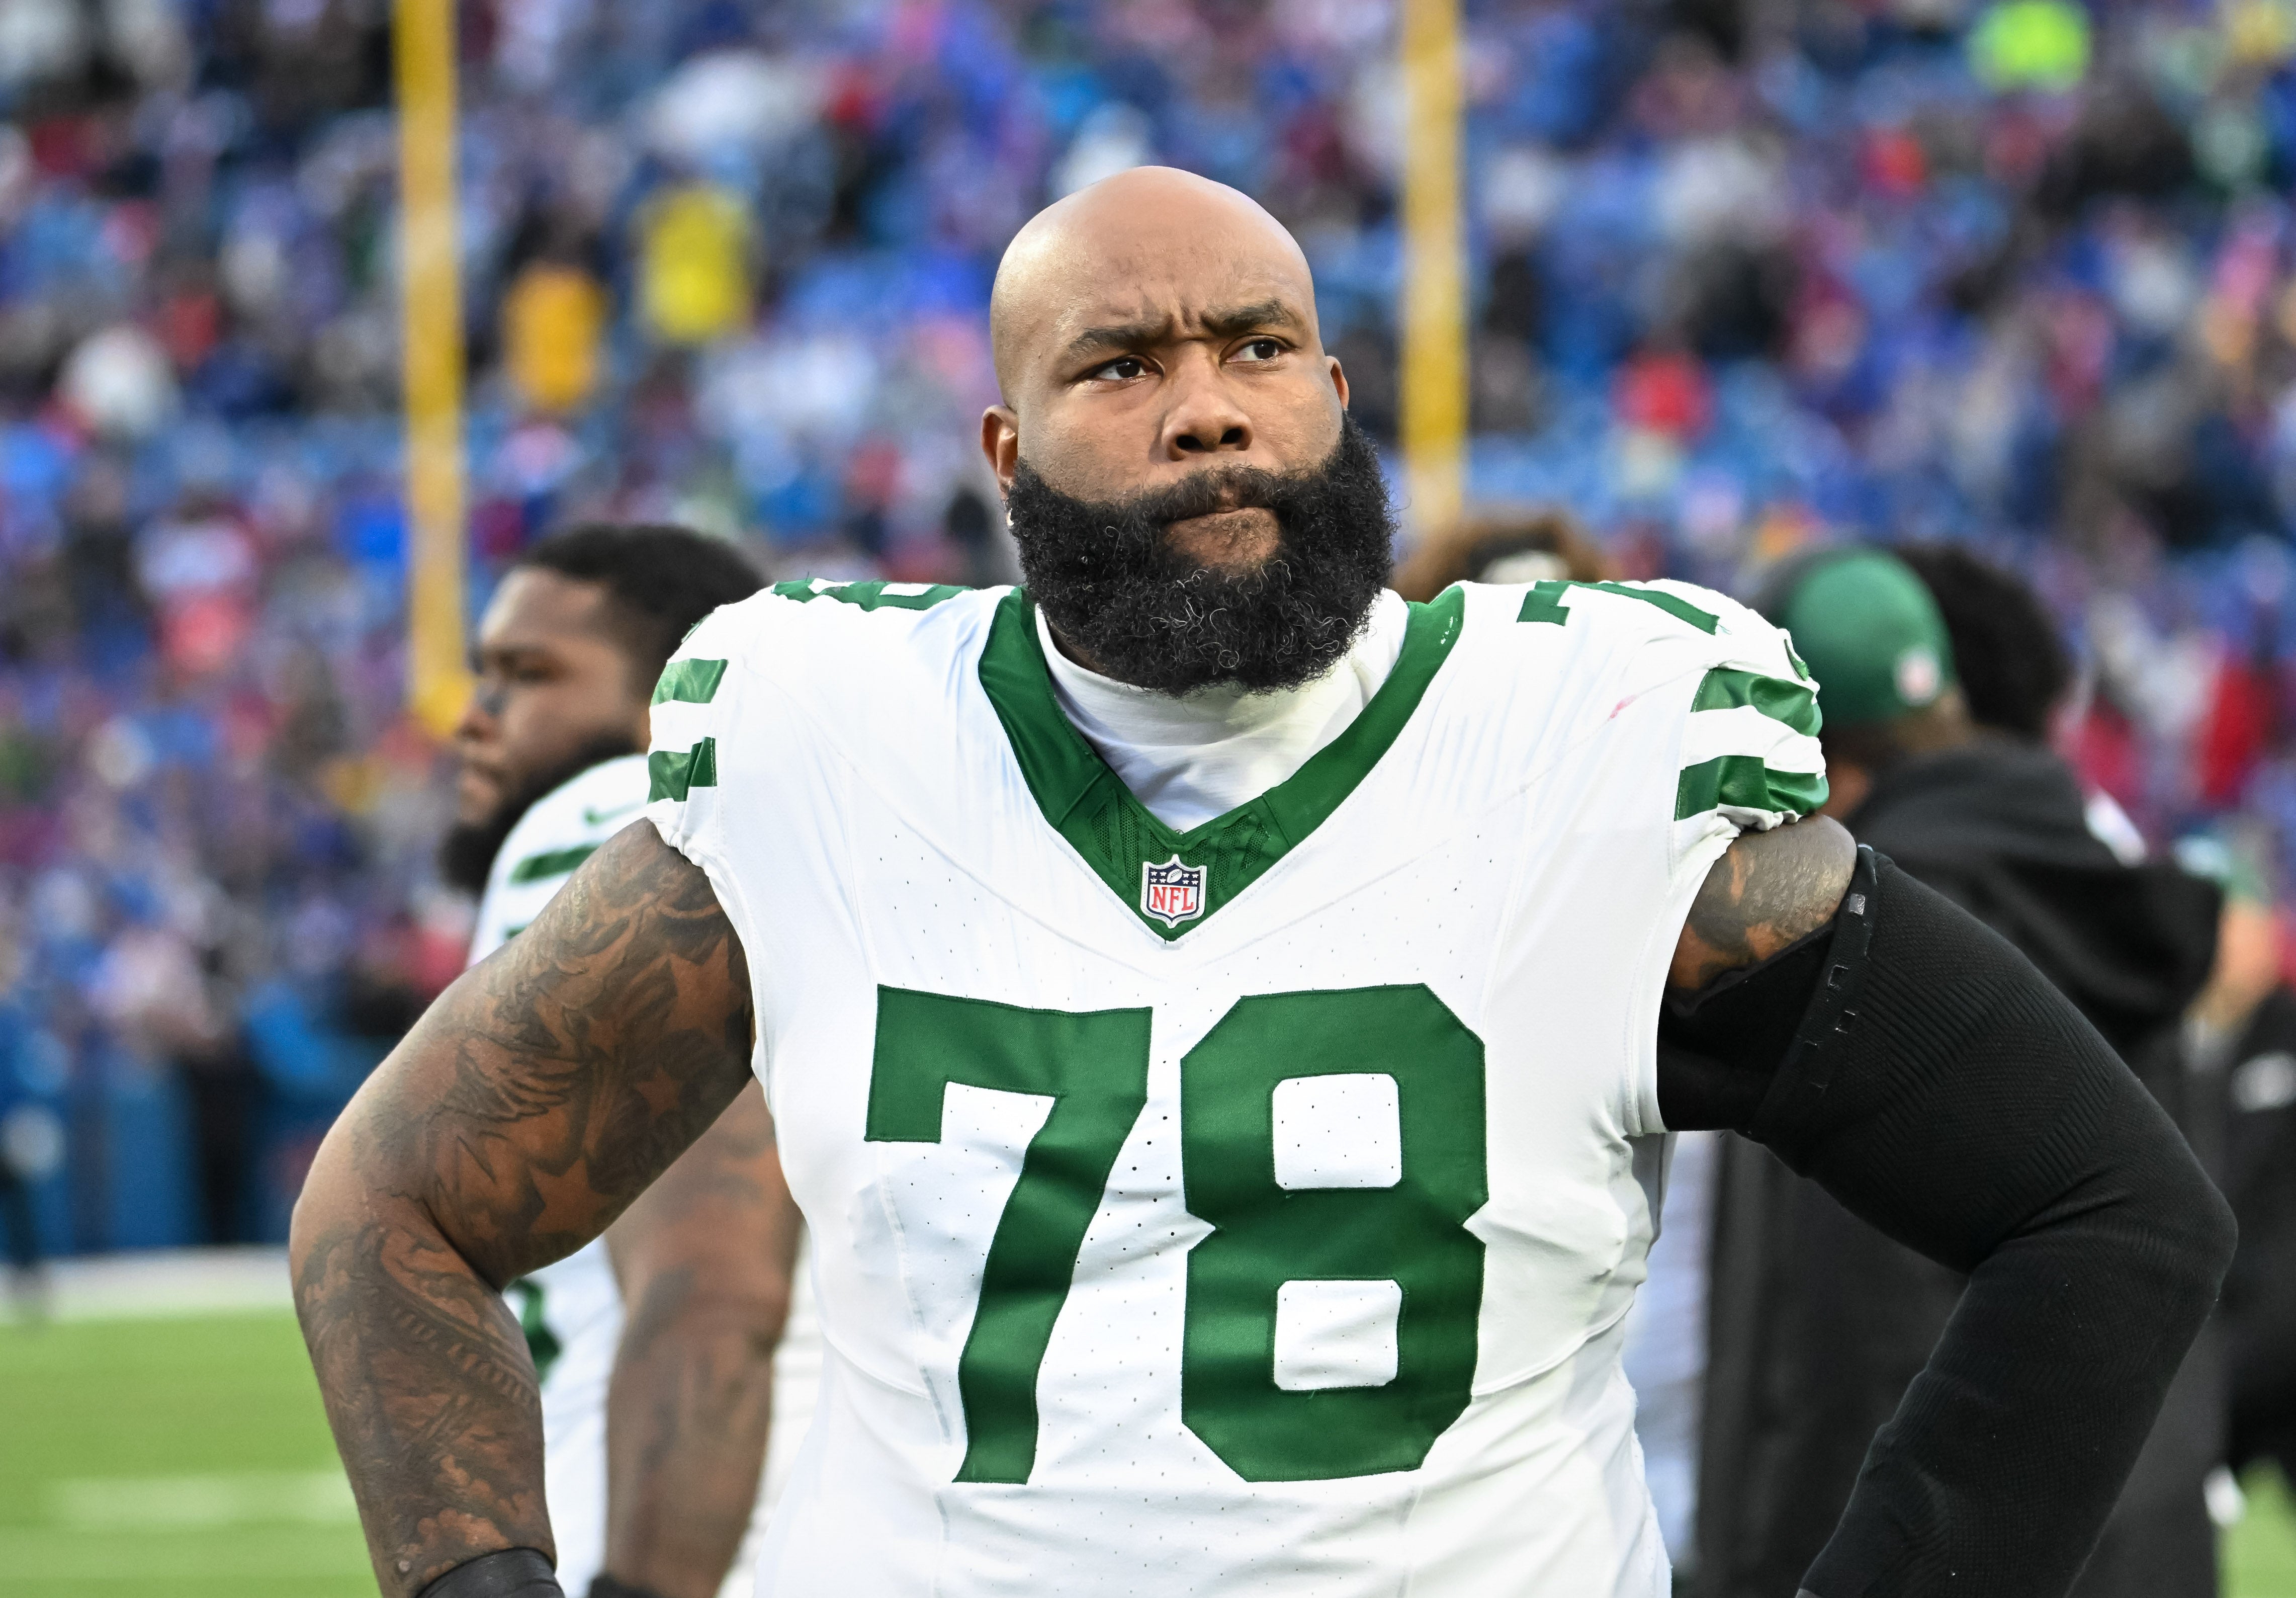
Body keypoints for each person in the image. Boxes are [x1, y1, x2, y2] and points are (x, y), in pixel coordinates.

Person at [291, 170, 2232, 1598]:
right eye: (1118, 362)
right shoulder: (831, 737)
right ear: (1004, 445)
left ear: (1330, 388)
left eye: (1255, 348)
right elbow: (395, 1204)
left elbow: (2103, 1207)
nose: (1204, 403)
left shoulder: (1580, 738)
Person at [1698, 545, 2224, 1598]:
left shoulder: (1865, 921)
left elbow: (1840, 1339)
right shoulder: (2104, 868)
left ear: (1824, 762)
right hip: (2146, 1537)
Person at [440, 523, 808, 1598]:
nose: (474, 716)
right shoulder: (827, 834)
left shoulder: (616, 817)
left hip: (680, 1537)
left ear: (675, 701)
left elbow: (715, 1279)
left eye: (528, 674)